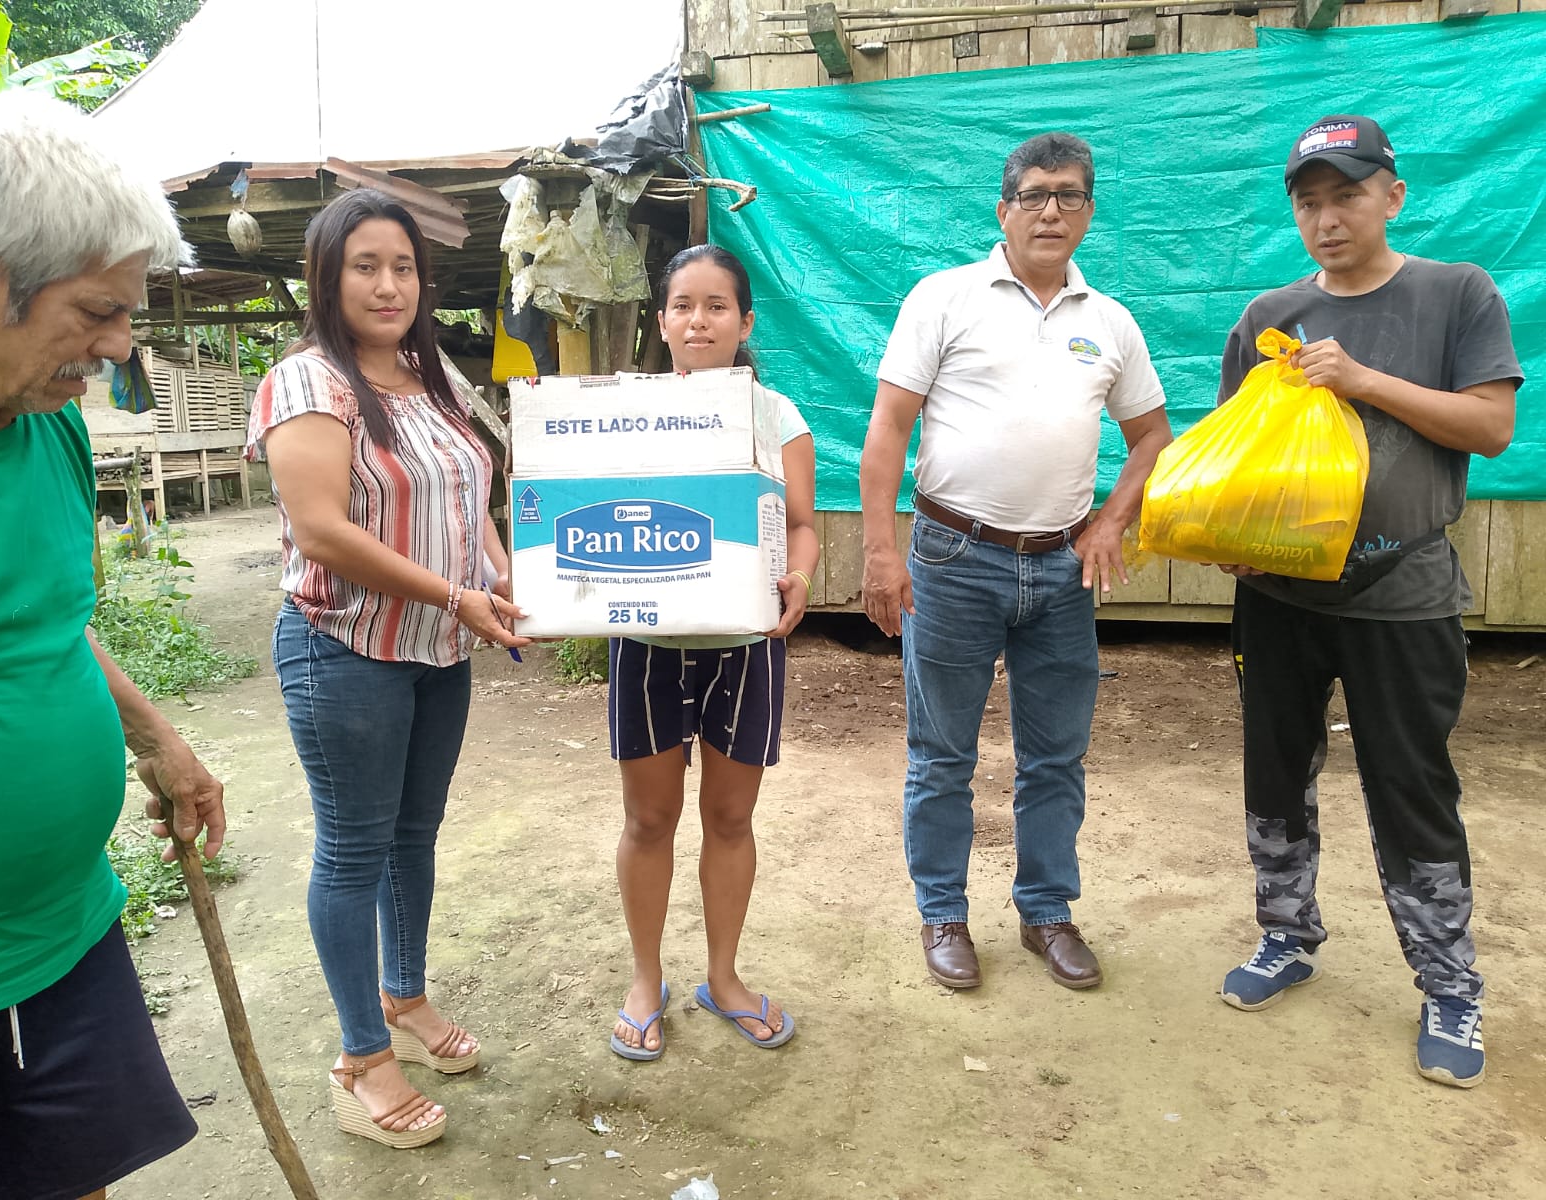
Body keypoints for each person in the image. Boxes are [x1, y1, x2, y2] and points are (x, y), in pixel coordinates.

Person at [0, 92, 227, 1200]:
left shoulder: (49, 420)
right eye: (97, 312)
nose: (119, 349)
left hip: (64, 929)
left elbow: (49, 621)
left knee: (76, 1181)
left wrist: (155, 737)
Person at [1213, 115, 1521, 1089]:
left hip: (1403, 596)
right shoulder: (1269, 314)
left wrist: (1362, 380)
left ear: (1392, 195)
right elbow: (1235, 453)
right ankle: (1286, 934)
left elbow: (1491, 427)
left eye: (1346, 195)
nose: (1326, 218)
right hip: (1276, 596)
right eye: (1308, 202)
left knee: (1410, 786)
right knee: (1274, 772)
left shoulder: (1455, 293)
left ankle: (1449, 986)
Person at [246, 189, 528, 1146]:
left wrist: (501, 577)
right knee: (353, 849)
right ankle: (361, 1059)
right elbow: (323, 531)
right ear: (326, 278)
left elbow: (468, 503)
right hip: (345, 650)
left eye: (403, 266)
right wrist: (455, 594)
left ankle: (403, 998)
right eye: (365, 266)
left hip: (438, 653)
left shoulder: (428, 372)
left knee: (415, 834)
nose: (388, 285)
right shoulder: (307, 382)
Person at [860, 133, 1172, 993]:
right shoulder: (945, 297)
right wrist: (881, 551)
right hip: (954, 558)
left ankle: (1046, 911)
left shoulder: (1109, 323)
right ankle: (943, 915)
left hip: (1062, 569)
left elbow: (1152, 435)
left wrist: (1111, 522)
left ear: (1089, 212)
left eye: (1069, 195)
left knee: (1055, 756)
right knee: (942, 756)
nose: (1050, 211)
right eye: (1034, 194)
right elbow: (888, 428)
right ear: (1004, 210)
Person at [607, 244, 819, 1060]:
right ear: (661, 322)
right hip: (648, 644)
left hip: (746, 644)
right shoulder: (622, 412)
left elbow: (800, 525)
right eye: (683, 305)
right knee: (648, 819)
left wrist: (800, 576)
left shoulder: (779, 418)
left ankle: (724, 978)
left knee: (731, 818)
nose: (699, 321)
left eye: (717, 306)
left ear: (745, 322)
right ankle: (644, 980)